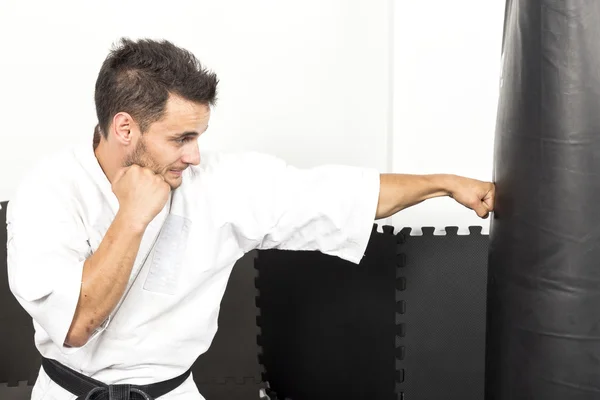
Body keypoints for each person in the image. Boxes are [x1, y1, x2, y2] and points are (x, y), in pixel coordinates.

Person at [6, 38, 495, 400]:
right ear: (125, 128)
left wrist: (444, 182)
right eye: (181, 138)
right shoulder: (48, 194)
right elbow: (75, 325)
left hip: (174, 393)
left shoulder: (223, 185)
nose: (195, 156)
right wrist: (133, 215)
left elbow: (340, 195)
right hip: (67, 393)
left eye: (200, 136)